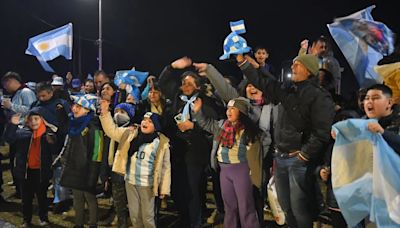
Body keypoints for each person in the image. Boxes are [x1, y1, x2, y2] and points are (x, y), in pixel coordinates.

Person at [236, 53, 335, 227]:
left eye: (298, 64)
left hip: (298, 160)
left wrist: (304, 155)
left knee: (300, 208)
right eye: (293, 63)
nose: (293, 67)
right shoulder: (288, 89)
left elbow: (322, 131)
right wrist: (244, 64)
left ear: (310, 70)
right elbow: (264, 83)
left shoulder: (319, 96)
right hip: (280, 157)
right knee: (285, 206)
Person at [158, 57, 222, 228]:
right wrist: (172, 66)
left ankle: (195, 223)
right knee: (178, 190)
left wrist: (193, 125)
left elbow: (212, 128)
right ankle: (184, 219)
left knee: (193, 191)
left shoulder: (205, 102)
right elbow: (162, 82)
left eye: (189, 83)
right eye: (183, 83)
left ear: (198, 86)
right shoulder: (177, 98)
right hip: (177, 152)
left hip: (195, 154)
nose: (185, 86)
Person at [99, 99, 171, 228]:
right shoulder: (131, 133)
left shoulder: (161, 143)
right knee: (134, 215)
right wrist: (104, 112)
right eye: (144, 119)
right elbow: (112, 131)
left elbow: (166, 167)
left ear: (156, 126)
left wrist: (164, 188)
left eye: (150, 121)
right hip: (130, 181)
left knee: (148, 217)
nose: (145, 122)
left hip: (147, 184)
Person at [192, 97, 261, 228]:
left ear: (241, 112)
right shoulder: (223, 126)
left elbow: (255, 155)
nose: (229, 111)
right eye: (228, 108)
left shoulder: (247, 131)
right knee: (230, 207)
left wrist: (256, 179)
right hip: (224, 171)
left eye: (233, 109)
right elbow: (206, 124)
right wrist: (198, 112)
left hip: (241, 170)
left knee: (245, 208)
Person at [4, 109, 57, 227]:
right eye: (30, 120)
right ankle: (26, 219)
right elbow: (9, 139)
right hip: (25, 172)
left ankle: (43, 217)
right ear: (27, 122)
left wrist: (51, 140)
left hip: (41, 171)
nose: (33, 122)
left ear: (42, 120)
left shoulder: (47, 134)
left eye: (36, 119)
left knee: (41, 197)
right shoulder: (22, 134)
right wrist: (12, 125)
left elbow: (55, 146)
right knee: (26, 198)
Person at [59, 94, 103, 228]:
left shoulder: (94, 128)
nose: (74, 109)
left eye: (79, 106)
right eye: (74, 105)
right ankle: (78, 224)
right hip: (74, 169)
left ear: (88, 110)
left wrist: (93, 176)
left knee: (89, 198)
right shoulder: (74, 125)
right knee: (77, 197)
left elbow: (97, 154)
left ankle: (93, 224)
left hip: (87, 170)